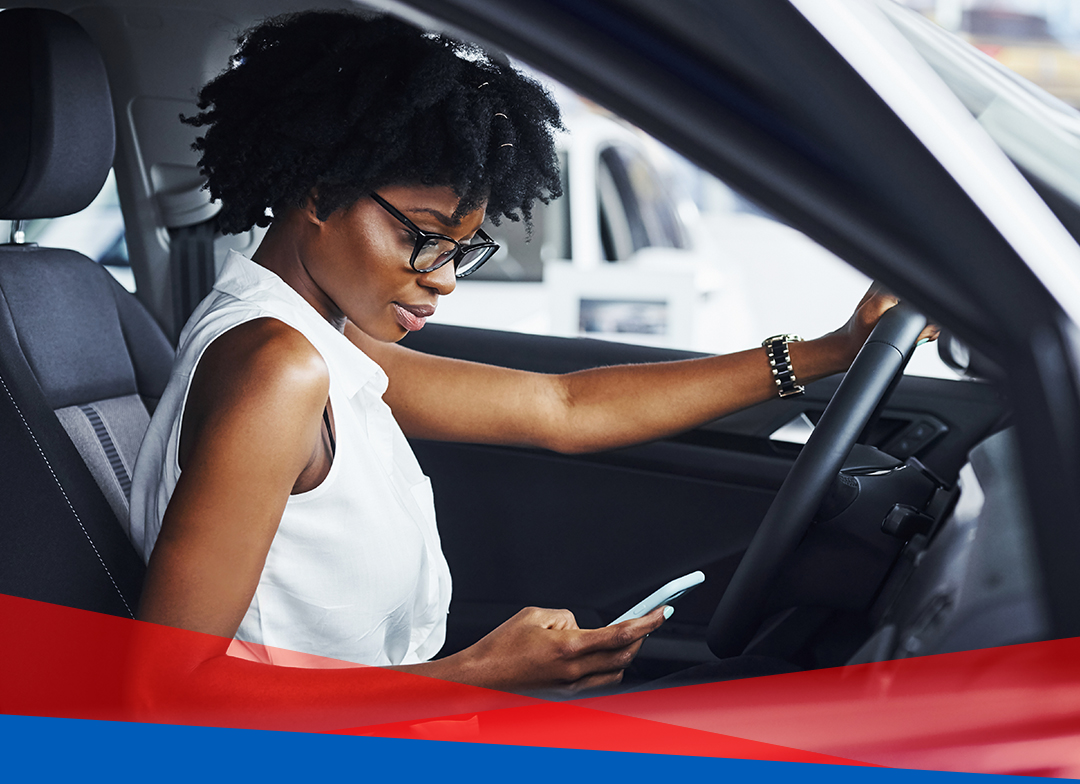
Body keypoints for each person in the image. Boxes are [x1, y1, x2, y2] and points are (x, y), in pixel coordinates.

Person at [129, 10, 904, 696]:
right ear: (318, 191)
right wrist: (469, 679)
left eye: (461, 252)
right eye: (422, 238)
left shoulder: (314, 343)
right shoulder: (277, 370)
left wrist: (830, 350)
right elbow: (165, 696)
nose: (442, 280)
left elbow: (562, 409)